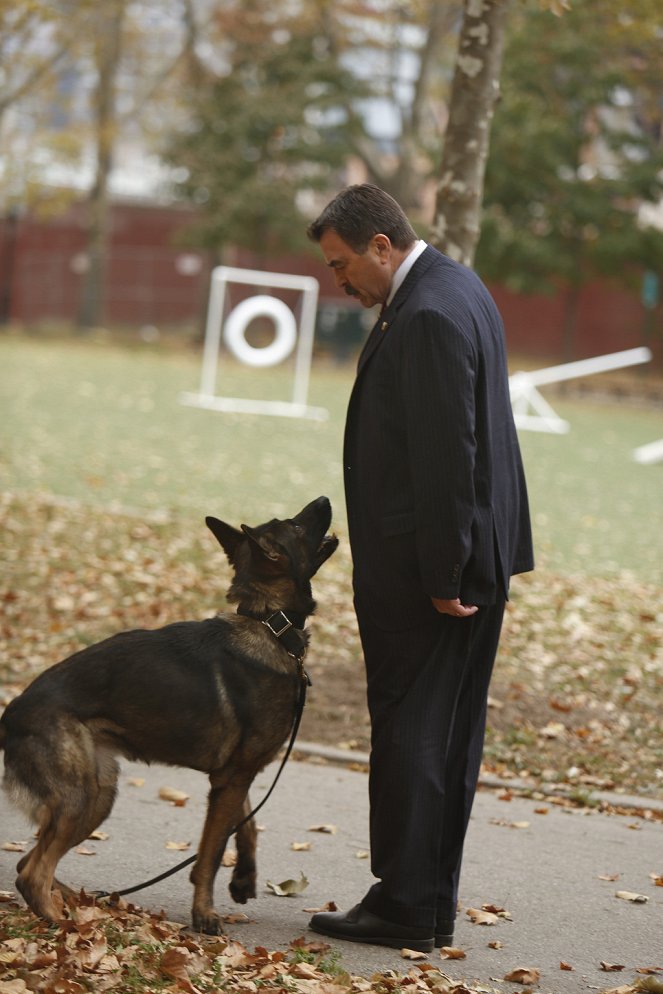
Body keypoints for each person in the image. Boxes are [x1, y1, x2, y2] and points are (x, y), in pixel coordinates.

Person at [305, 184, 534, 953]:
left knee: (413, 731)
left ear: (381, 246)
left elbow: (448, 458)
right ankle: (421, 902)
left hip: (431, 571)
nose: (339, 282)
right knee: (443, 737)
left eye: (341, 265)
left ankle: (406, 905)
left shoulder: (431, 312)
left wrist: (443, 576)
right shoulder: (454, 283)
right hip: (464, 558)